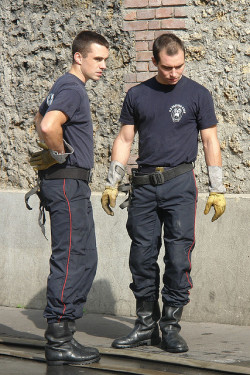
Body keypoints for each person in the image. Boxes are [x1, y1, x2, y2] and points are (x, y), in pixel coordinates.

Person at [101, 33, 226, 353]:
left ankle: (170, 327)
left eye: (180, 66)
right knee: (141, 258)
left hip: (180, 186)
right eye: (168, 67)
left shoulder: (198, 94)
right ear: (154, 62)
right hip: (143, 188)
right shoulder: (137, 95)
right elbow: (125, 139)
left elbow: (211, 140)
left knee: (177, 257)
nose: (174, 73)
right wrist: (112, 181)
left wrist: (218, 188)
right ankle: (145, 326)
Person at [29, 30, 109, 366]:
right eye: (98, 59)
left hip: (68, 184)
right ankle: (59, 342)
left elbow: (38, 118)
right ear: (79, 56)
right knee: (74, 258)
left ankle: (64, 334)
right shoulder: (73, 87)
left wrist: (53, 152)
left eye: (106, 60)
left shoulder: (63, 86)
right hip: (67, 183)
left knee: (84, 256)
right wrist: (59, 155)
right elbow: (48, 126)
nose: (103, 66)